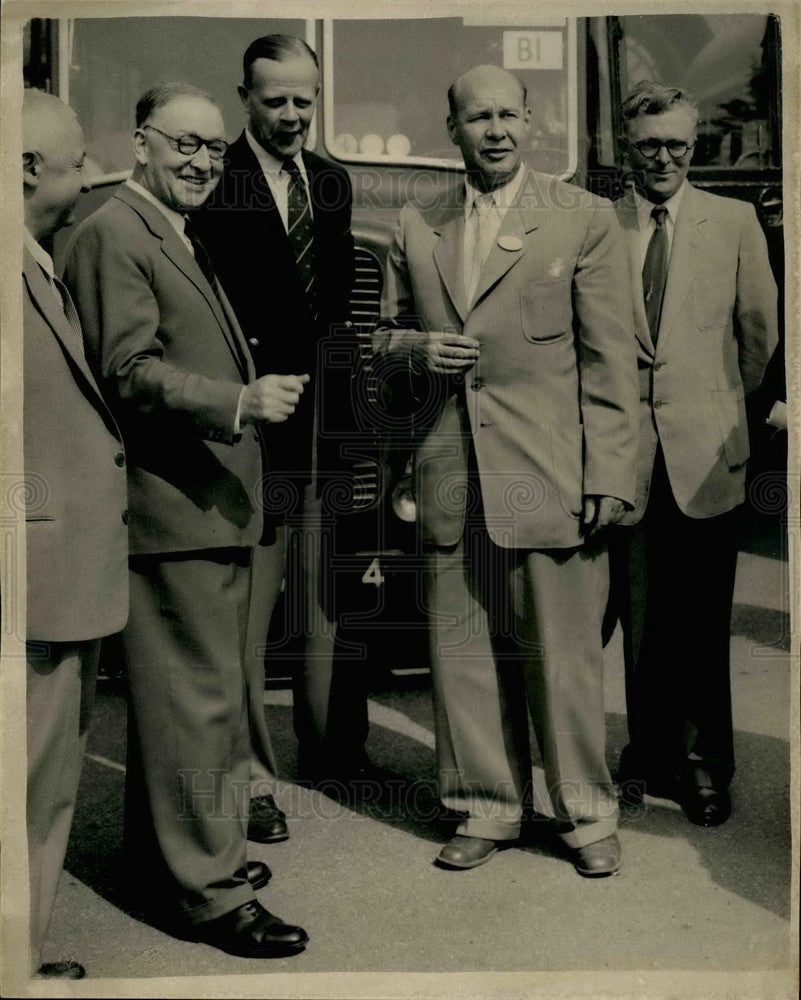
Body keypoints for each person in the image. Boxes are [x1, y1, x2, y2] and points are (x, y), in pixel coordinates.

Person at [374, 65, 639, 875]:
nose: (493, 130)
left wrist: (610, 475)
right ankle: (483, 805)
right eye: (475, 117)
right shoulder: (414, 224)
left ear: (530, 124)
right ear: (449, 129)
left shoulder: (582, 218)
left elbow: (610, 360)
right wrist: (416, 348)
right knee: (459, 649)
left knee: (561, 655)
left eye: (506, 116)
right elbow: (378, 344)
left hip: (550, 472)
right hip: (449, 471)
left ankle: (584, 814)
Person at [63, 83, 308, 957]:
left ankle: (168, 867)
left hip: (202, 506)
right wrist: (236, 400)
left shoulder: (163, 228)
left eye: (211, 146)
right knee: (197, 707)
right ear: (139, 143)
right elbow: (128, 367)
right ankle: (207, 894)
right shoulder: (114, 233)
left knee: (186, 708)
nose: (202, 160)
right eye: (183, 144)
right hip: (175, 510)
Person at [195, 34, 366, 795]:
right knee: (250, 617)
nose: (293, 115)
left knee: (330, 604)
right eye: (276, 101)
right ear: (245, 99)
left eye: (305, 99)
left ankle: (334, 752)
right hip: (254, 429)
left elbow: (336, 320)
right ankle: (249, 779)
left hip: (325, 431)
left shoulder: (330, 182)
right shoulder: (213, 181)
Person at [610, 81, 778, 826]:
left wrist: (712, 410)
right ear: (627, 146)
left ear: (694, 145)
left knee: (702, 621)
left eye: (676, 144)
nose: (663, 157)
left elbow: (758, 337)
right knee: (639, 616)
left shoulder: (734, 221)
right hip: (626, 456)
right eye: (648, 144)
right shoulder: (598, 223)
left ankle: (706, 764)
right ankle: (647, 753)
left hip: (707, 450)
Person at [21, 89, 128, 979]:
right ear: (26, 169)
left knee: (41, 780)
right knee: (29, 781)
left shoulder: (35, 257)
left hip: (55, 565)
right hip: (35, 568)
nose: (91, 174)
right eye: (76, 160)